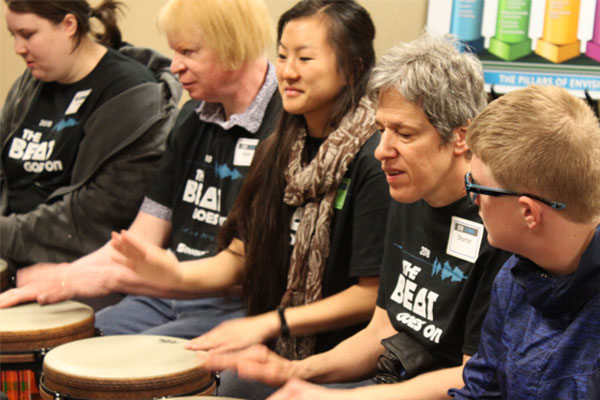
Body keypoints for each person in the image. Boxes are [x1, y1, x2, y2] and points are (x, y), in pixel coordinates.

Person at [199, 33, 513, 400]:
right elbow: (382, 328)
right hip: (389, 381)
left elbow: (469, 378)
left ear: (461, 136)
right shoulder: (407, 193)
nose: (382, 151)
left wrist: (336, 397)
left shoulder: (497, 225)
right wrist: (295, 371)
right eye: (381, 130)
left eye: (404, 134)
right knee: (243, 383)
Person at [109, 0, 388, 397]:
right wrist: (174, 276)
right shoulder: (281, 148)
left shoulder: (375, 158)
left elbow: (370, 295)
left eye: (305, 58)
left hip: (346, 355)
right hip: (281, 340)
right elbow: (241, 256)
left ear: (353, 68)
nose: (288, 72)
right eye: (283, 56)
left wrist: (272, 322)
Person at [0, 0, 281, 339]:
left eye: (188, 52)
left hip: (238, 305)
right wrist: (65, 275)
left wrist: (109, 278)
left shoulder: (284, 124)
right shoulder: (191, 117)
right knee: (77, 344)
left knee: (118, 369)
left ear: (232, 46)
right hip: (163, 296)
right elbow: (144, 234)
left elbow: (248, 271)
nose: (175, 67)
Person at [0, 0, 181, 269]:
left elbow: (96, 219)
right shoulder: (31, 84)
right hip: (10, 251)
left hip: (78, 266)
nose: (18, 48)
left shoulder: (133, 96)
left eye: (28, 35)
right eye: (13, 36)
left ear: (69, 25)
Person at [447, 85, 600, 399]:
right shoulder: (514, 277)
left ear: (528, 212)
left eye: (477, 187)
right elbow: (480, 391)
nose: (472, 199)